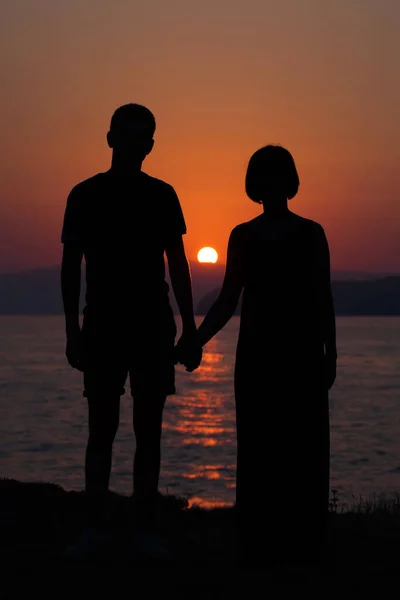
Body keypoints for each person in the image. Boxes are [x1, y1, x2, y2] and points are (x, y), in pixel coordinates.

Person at [184, 145, 337, 566]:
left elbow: (323, 295)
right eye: (263, 174)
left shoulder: (311, 233)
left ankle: (303, 543)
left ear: (289, 180)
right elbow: (228, 298)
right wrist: (196, 338)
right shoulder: (242, 235)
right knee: (259, 447)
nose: (271, 183)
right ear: (255, 183)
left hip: (302, 355)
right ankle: (259, 543)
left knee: (302, 450)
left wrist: (332, 353)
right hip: (257, 356)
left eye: (277, 173)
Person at [61, 103, 201, 559]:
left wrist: (189, 326)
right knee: (101, 428)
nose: (134, 144)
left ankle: (143, 526)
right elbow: (70, 267)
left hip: (151, 326)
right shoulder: (84, 195)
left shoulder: (163, 195)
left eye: (142, 136)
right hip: (102, 323)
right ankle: (94, 526)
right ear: (110, 139)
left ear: (150, 145)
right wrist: (72, 331)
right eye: (127, 134)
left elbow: (177, 263)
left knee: (148, 430)